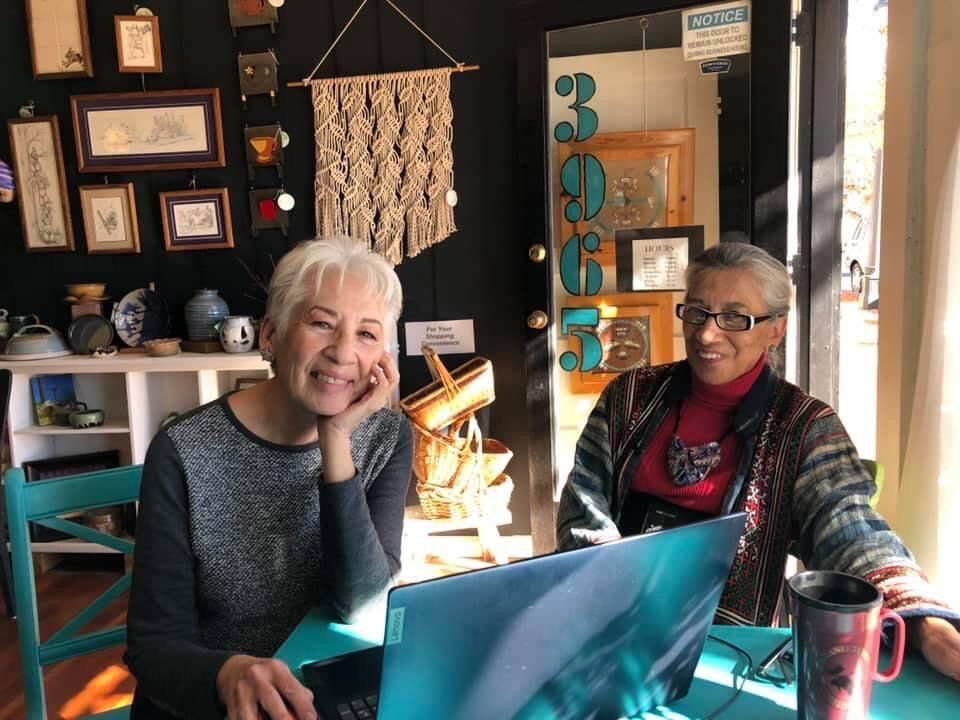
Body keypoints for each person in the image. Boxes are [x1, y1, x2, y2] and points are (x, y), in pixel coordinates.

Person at [557, 242, 960, 683]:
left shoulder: (804, 427)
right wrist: (611, 595)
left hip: (730, 655)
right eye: (696, 311)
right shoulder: (629, 396)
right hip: (613, 630)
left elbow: (851, 532)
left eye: (735, 317)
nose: (707, 334)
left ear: (775, 329)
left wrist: (925, 625)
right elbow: (584, 502)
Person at [126, 236, 413, 719]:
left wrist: (336, 443)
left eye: (367, 334)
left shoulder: (387, 436)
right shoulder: (183, 450)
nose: (343, 352)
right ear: (270, 335)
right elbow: (153, 647)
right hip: (212, 703)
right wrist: (228, 673)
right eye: (322, 323)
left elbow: (362, 605)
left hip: (327, 695)